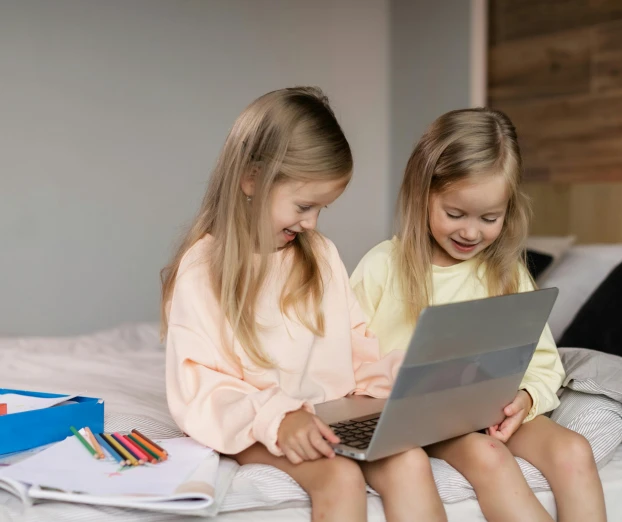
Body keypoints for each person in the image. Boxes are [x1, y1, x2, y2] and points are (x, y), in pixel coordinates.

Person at [161, 87, 446, 522]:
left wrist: (409, 382)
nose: (311, 222)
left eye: (321, 208)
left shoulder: (321, 254)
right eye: (304, 205)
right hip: (256, 421)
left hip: (327, 416)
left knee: (410, 460)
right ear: (252, 179)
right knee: (339, 478)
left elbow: (358, 351)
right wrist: (280, 417)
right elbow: (201, 386)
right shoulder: (204, 268)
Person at [351, 107, 607, 522]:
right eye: (455, 214)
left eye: (490, 218)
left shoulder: (505, 272)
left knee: (574, 450)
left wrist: (525, 399)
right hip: (421, 421)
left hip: (490, 410)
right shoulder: (382, 267)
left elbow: (543, 364)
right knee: (486, 456)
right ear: (422, 194)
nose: (471, 232)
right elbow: (344, 363)